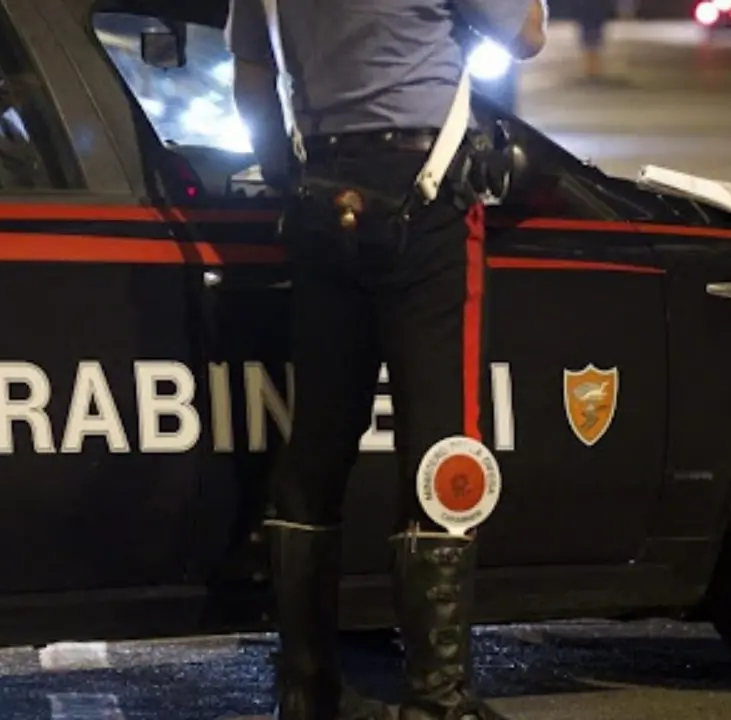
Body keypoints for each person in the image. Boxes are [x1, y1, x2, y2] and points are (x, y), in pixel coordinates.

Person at [224, 1, 547, 719]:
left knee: (317, 444)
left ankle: (306, 689)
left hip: (320, 193)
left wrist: (288, 173)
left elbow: (251, 72)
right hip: (425, 200)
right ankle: (437, 698)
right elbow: (527, 35)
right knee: (443, 445)